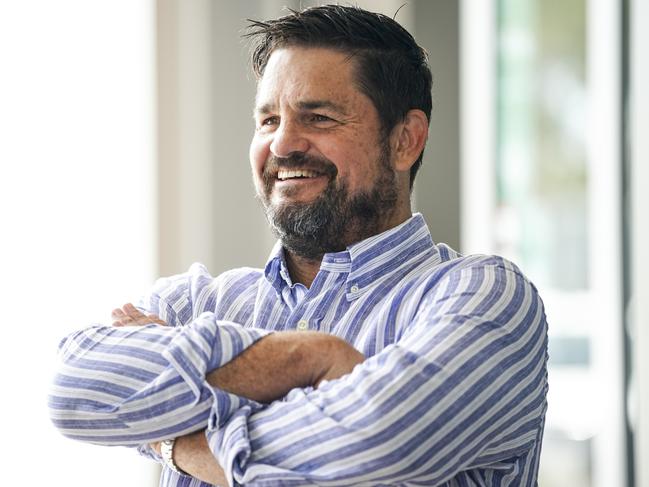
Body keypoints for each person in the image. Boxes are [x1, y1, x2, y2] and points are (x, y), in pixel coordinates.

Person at [48, 5, 548, 486]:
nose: (283, 144)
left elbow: (369, 450)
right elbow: (72, 387)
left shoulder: (486, 300)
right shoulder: (200, 302)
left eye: (319, 118)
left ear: (405, 140)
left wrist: (170, 440)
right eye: (268, 120)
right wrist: (310, 356)